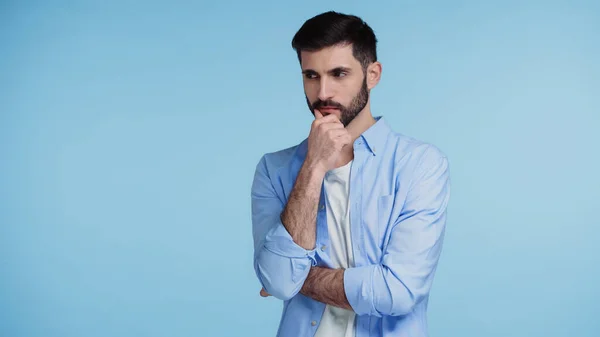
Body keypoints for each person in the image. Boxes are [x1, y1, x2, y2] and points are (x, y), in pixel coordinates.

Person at [250, 11, 450, 337]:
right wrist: (314, 167)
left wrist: (298, 277)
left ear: (372, 75)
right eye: (311, 75)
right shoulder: (274, 170)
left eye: (339, 73)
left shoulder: (420, 165)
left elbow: (398, 291)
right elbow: (276, 279)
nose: (323, 92)